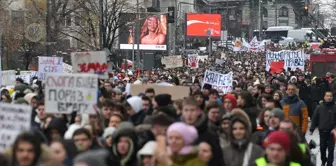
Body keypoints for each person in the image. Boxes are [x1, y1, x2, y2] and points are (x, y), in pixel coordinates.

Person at [310, 91, 336, 166]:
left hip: (332, 132)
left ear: (332, 97)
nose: (329, 97)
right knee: (322, 148)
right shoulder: (319, 107)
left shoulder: (334, 107)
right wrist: (312, 129)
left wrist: (334, 128)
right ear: (324, 97)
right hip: (323, 131)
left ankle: (329, 163)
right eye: (327, 96)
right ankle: (323, 160)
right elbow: (315, 118)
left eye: (330, 96)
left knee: (331, 149)